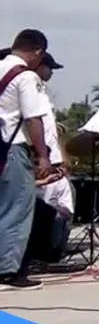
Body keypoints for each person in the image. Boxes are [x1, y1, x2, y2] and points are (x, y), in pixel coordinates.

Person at [0, 30, 54, 290]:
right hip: (12, 149)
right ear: (37, 52)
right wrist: (43, 155)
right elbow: (33, 118)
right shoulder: (25, 77)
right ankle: (9, 272)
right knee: (17, 209)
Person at [23, 53, 74, 269]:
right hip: (39, 161)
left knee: (63, 201)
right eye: (49, 67)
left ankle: (53, 250)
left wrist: (62, 157)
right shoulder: (27, 89)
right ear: (39, 65)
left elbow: (54, 130)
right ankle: (32, 254)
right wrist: (39, 158)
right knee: (38, 206)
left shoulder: (43, 93)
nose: (51, 72)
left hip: (53, 159)